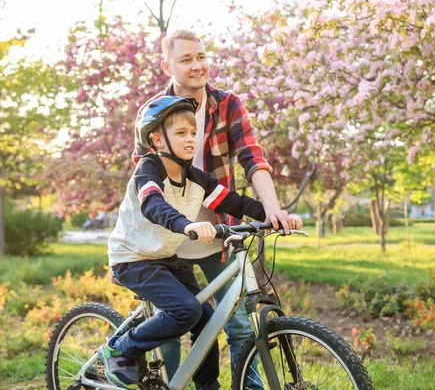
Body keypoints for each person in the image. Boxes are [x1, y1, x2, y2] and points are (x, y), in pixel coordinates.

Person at [102, 95, 302, 389]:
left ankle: (207, 387)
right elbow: (153, 204)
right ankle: (120, 349)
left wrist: (274, 215)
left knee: (206, 319)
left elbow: (233, 202)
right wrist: (186, 224)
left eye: (193, 132)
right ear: (157, 139)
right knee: (186, 311)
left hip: (165, 257)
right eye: (180, 133)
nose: (190, 139)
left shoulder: (196, 178)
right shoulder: (149, 169)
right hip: (133, 259)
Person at [133, 29, 295, 388]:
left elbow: (254, 159)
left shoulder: (229, 105)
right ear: (167, 66)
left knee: (239, 326)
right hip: (170, 237)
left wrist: (272, 210)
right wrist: (176, 220)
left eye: (201, 56)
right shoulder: (153, 113)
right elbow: (143, 174)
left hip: (220, 235)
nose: (197, 65)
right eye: (186, 59)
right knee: (172, 327)